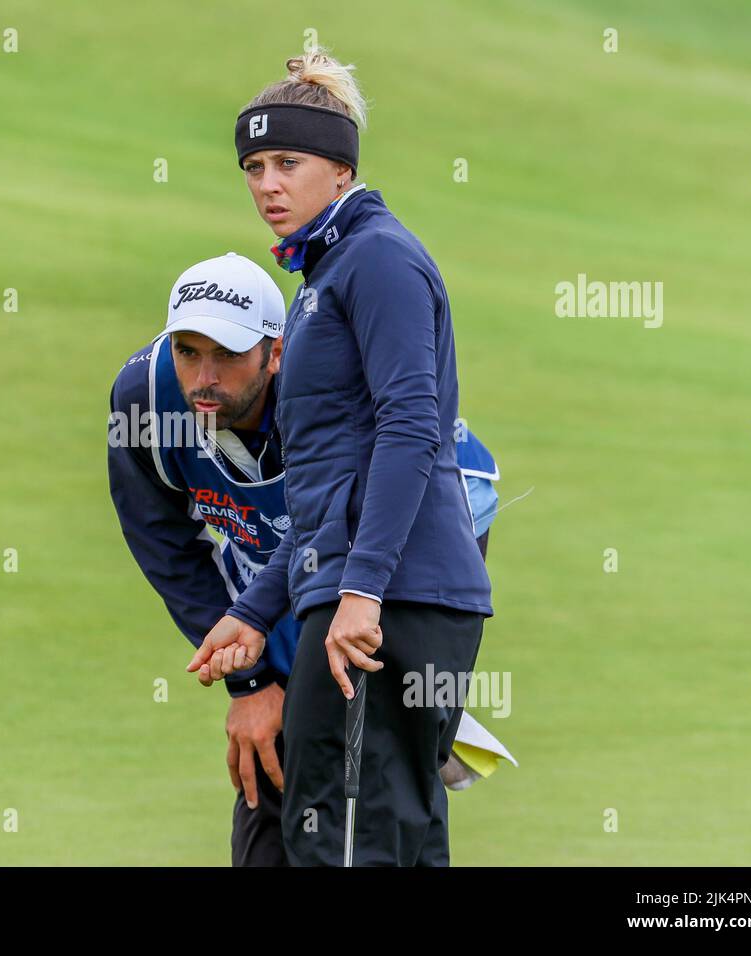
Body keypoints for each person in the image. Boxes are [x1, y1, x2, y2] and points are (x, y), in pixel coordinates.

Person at [190, 50, 495, 866]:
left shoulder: (379, 257)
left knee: (344, 828)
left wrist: (362, 589)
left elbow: (411, 427)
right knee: (390, 826)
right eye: (253, 166)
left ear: (342, 168)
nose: (266, 185)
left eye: (288, 163)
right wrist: (254, 613)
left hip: (391, 592)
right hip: (362, 587)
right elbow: (331, 491)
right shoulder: (324, 274)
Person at [110, 252, 512, 866]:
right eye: (188, 351)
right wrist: (250, 684)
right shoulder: (147, 398)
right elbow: (164, 545)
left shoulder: (330, 386)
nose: (203, 379)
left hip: (399, 552)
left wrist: (413, 660)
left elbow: (395, 506)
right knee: (281, 774)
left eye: (227, 354)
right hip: (285, 584)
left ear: (276, 353)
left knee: (361, 783)